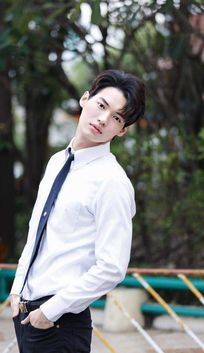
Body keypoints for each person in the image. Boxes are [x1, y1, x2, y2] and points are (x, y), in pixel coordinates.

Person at [10, 69, 145, 353]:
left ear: (122, 130)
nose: (103, 119)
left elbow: (112, 267)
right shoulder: (58, 161)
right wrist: (16, 289)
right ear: (85, 99)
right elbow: (37, 231)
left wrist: (49, 312)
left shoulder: (112, 182)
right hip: (26, 314)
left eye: (117, 118)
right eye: (102, 105)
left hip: (59, 323)